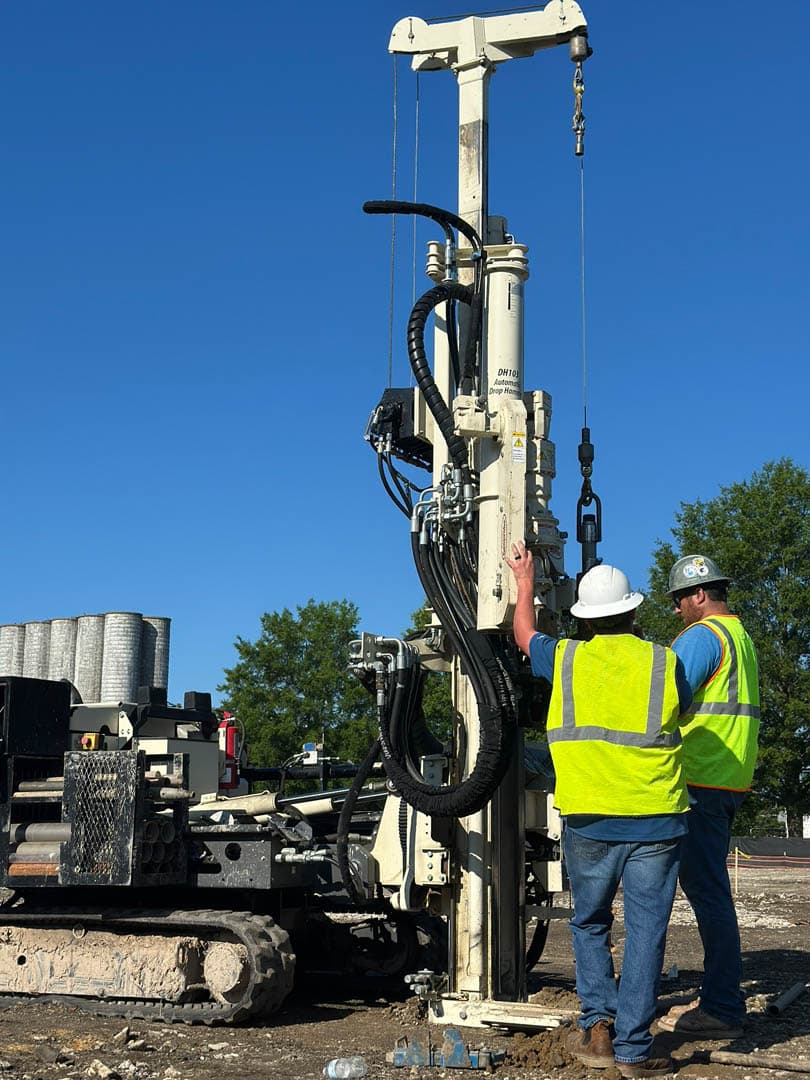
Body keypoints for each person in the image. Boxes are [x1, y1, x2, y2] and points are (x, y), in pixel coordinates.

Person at [506, 543, 691, 1078]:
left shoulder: (565, 658)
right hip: (656, 816)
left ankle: (598, 1027)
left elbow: (523, 635)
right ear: (633, 612)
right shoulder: (663, 661)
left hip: (589, 818)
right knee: (647, 929)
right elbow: (682, 710)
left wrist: (524, 579)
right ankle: (634, 1049)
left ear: (584, 618)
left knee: (589, 922)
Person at [657, 555, 760, 1039]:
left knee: (704, 894)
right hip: (725, 780)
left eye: (680, 599)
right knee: (711, 891)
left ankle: (721, 1006)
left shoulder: (703, 638)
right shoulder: (739, 637)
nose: (677, 609)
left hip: (695, 779)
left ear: (699, 594)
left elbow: (661, 699)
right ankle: (722, 999)